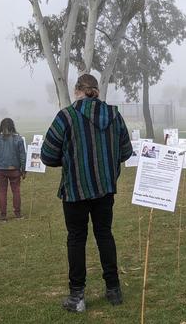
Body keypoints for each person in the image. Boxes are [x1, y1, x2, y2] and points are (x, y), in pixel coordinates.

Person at [41, 74, 132, 313]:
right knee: (104, 235)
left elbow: (47, 155)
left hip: (75, 190)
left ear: (77, 90)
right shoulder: (114, 115)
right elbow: (125, 151)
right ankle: (113, 290)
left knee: (76, 239)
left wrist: (72, 159)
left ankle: (77, 296)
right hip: (105, 189)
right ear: (97, 91)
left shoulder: (66, 117)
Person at [0, 118, 27, 221]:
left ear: (1, 127)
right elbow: (22, 156)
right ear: (12, 126)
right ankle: (18, 214)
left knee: (2, 192)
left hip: (0, 169)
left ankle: (3, 215)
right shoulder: (19, 139)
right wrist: (23, 170)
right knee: (16, 191)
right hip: (14, 170)